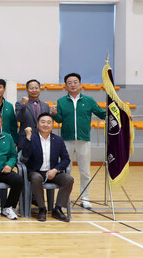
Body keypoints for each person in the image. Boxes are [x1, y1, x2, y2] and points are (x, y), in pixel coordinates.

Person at [52, 73, 105, 210]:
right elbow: (59, 120)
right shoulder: (61, 101)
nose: (73, 85)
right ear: (65, 86)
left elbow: (102, 114)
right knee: (65, 172)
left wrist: (120, 114)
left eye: (75, 82)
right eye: (69, 82)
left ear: (80, 84)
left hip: (84, 141)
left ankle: (85, 199)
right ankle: (64, 200)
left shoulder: (89, 100)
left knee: (85, 172)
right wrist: (54, 113)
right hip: (66, 141)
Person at [19, 113, 74, 222]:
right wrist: (28, 138)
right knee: (36, 178)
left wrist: (55, 170)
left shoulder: (58, 140)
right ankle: (42, 209)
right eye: (42, 122)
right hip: (35, 171)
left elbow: (66, 159)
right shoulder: (32, 138)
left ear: (52, 125)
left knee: (68, 179)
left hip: (53, 172)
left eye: (49, 123)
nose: (45, 125)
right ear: (37, 124)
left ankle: (57, 209)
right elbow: (24, 156)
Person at [15, 79, 50, 143]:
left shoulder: (45, 105)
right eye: (31, 88)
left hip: (42, 139)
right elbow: (19, 119)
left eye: (36, 88)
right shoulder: (20, 104)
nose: (34, 90)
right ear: (27, 90)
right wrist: (24, 105)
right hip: (25, 138)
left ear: (39, 89)